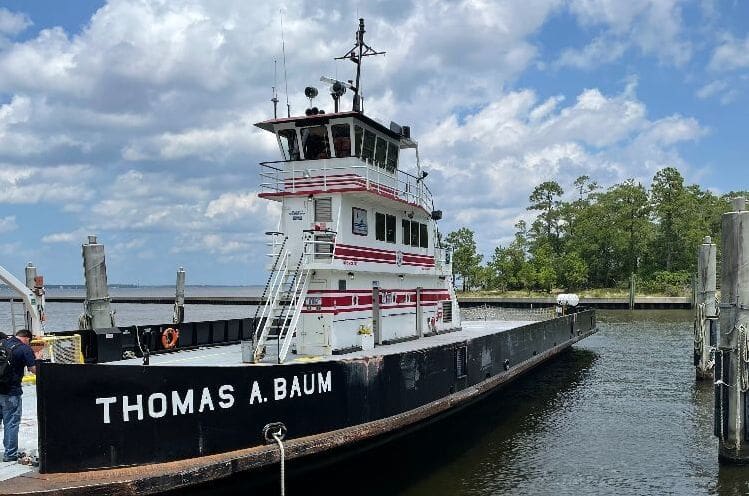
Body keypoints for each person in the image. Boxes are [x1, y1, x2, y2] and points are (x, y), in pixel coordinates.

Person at [0, 329, 36, 463]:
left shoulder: (3, 343)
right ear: (27, 338)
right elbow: (34, 370)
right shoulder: (24, 349)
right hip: (11, 392)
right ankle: (10, 454)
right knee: (11, 423)